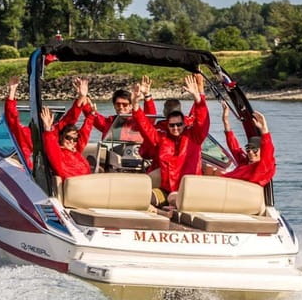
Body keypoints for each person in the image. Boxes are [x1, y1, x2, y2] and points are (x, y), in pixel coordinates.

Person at [132, 74, 209, 203]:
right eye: (172, 125)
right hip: (167, 187)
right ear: (167, 125)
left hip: (189, 188)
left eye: (179, 125)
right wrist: (135, 104)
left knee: (173, 197)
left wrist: (198, 98)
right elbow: (145, 126)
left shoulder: (194, 136)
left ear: (184, 124)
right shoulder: (161, 137)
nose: (175, 128)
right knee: (143, 195)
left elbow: (202, 121)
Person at [4, 75, 88, 167]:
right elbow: (11, 118)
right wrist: (12, 91)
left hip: (51, 171)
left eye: (48, 117)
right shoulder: (25, 134)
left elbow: (71, 117)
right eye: (43, 117)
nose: (45, 120)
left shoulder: (54, 132)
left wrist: (82, 96)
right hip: (32, 172)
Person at [92, 75, 157, 139]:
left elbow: (150, 118)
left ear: (131, 106)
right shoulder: (109, 122)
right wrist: (82, 98)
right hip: (111, 149)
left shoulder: (138, 121)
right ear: (114, 105)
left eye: (124, 104)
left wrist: (147, 94)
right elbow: (92, 116)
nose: (121, 107)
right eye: (118, 104)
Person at [40, 102, 94, 179]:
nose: (72, 141)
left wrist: (91, 115)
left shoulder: (74, 149)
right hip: (75, 185)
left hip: (87, 181)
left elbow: (85, 133)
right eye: (68, 138)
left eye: (75, 139)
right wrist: (48, 130)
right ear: (61, 137)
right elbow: (51, 147)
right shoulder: (59, 154)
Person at [221, 111, 276, 187]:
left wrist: (264, 130)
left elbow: (268, 151)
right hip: (224, 183)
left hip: (227, 187)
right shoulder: (244, 162)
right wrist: (226, 121)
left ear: (262, 151)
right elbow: (235, 148)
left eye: (254, 149)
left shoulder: (262, 168)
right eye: (248, 149)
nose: (250, 152)